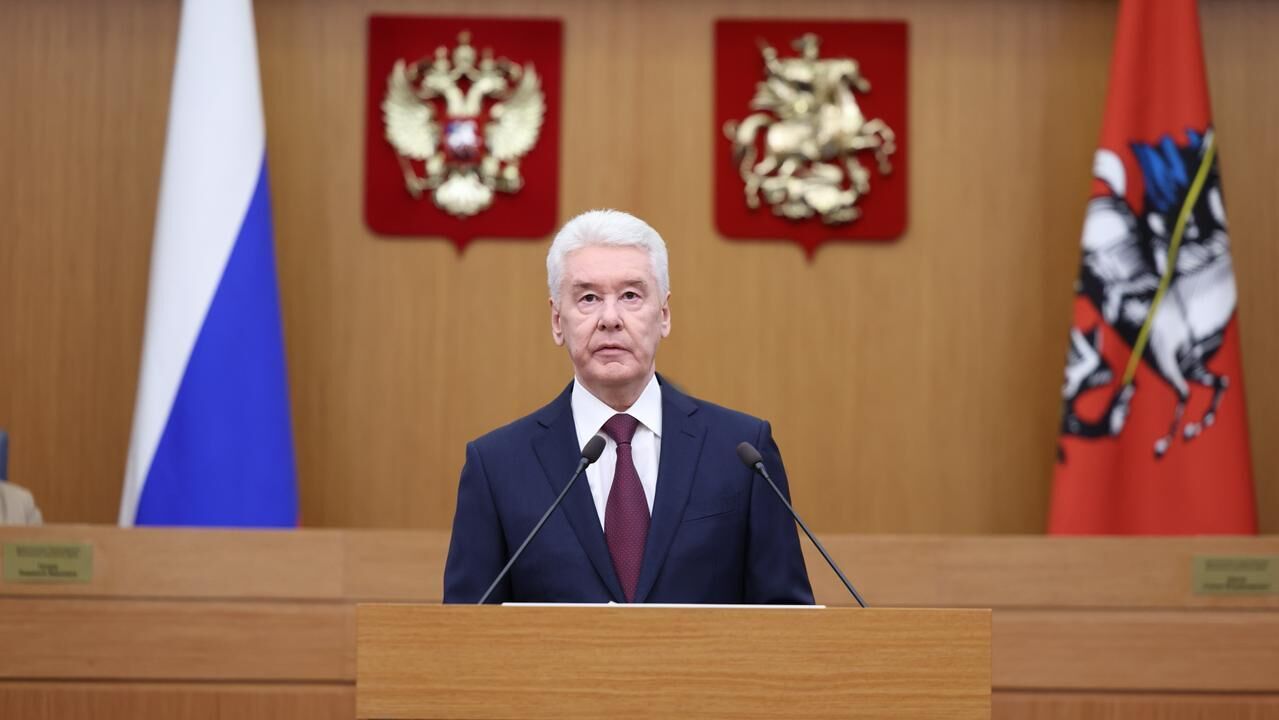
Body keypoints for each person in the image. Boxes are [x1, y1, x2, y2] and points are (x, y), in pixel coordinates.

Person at [443, 210, 812, 604]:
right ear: (557, 320)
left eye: (631, 296)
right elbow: (466, 629)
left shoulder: (743, 452)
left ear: (664, 315)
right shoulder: (497, 466)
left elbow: (786, 620)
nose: (610, 319)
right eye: (588, 298)